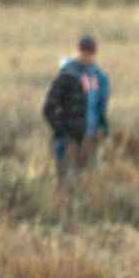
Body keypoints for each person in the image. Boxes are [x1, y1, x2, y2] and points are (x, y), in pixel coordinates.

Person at [41, 45, 89, 191]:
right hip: (67, 138)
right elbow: (48, 109)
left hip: (74, 138)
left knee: (69, 179)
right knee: (66, 179)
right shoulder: (67, 80)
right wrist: (61, 130)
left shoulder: (74, 80)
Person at [65, 34, 112, 169]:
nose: (85, 57)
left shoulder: (99, 76)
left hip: (90, 132)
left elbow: (101, 105)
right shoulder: (67, 73)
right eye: (82, 53)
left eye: (88, 53)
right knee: (68, 171)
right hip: (69, 133)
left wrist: (103, 128)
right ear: (76, 52)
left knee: (89, 170)